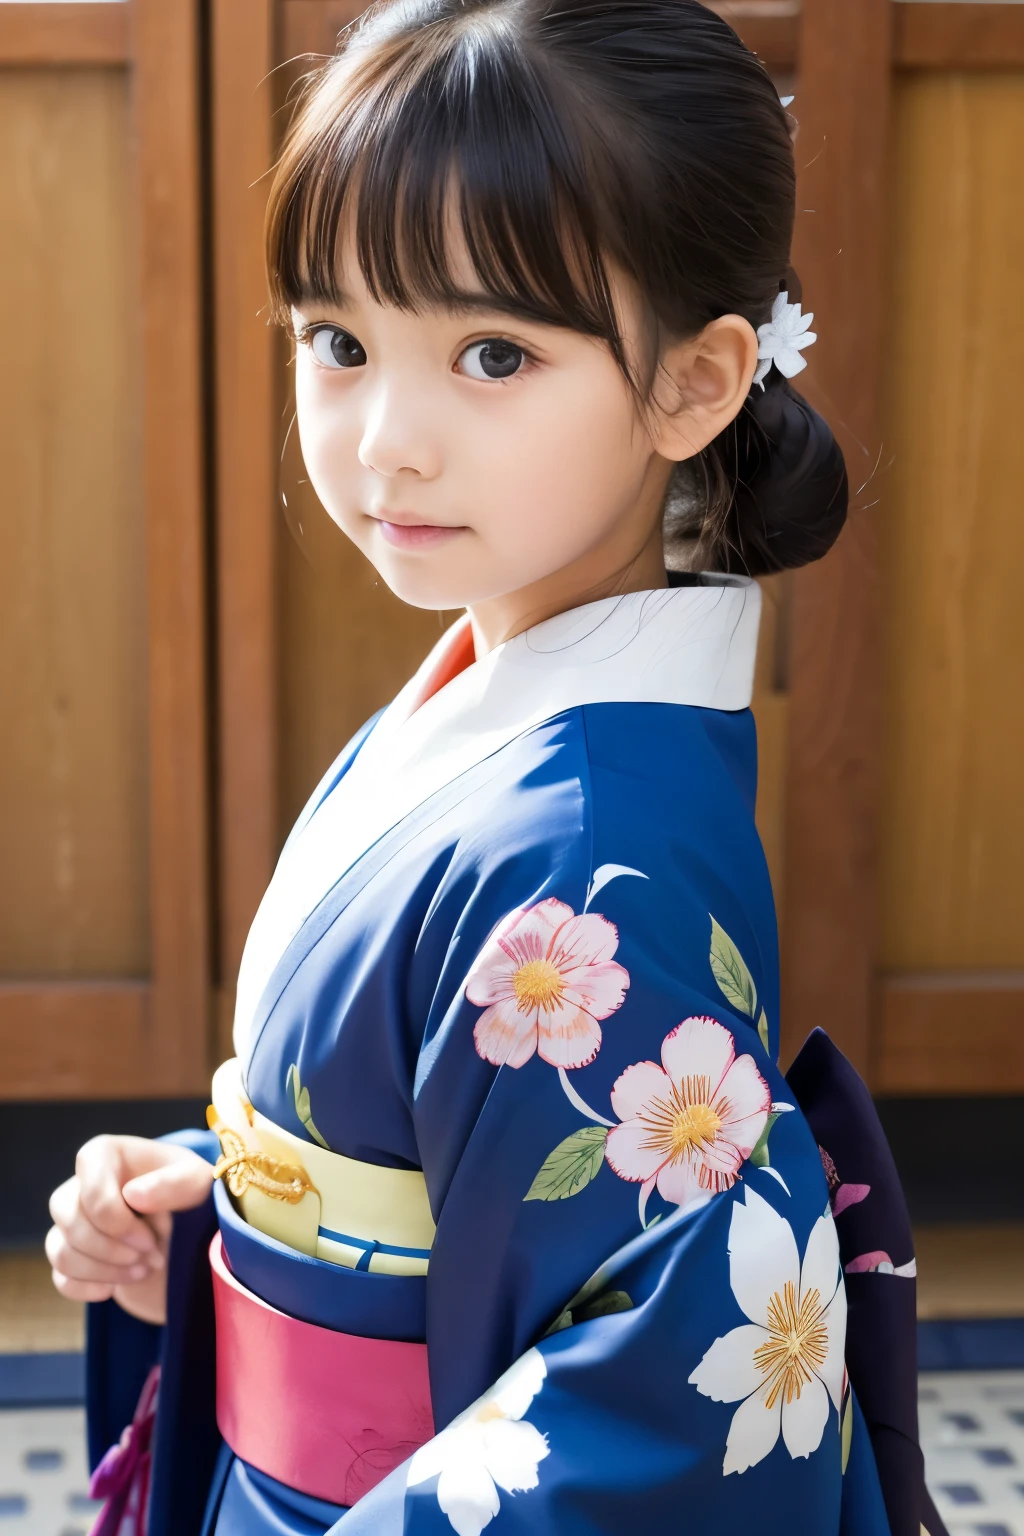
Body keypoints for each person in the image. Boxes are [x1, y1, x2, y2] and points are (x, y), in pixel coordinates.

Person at [45, 2, 935, 1532]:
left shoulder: (590, 856)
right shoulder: (505, 720)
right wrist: (218, 1186)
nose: (387, 438)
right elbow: (431, 1132)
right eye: (337, 341)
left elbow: (653, 1387)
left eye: (491, 352)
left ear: (696, 382)